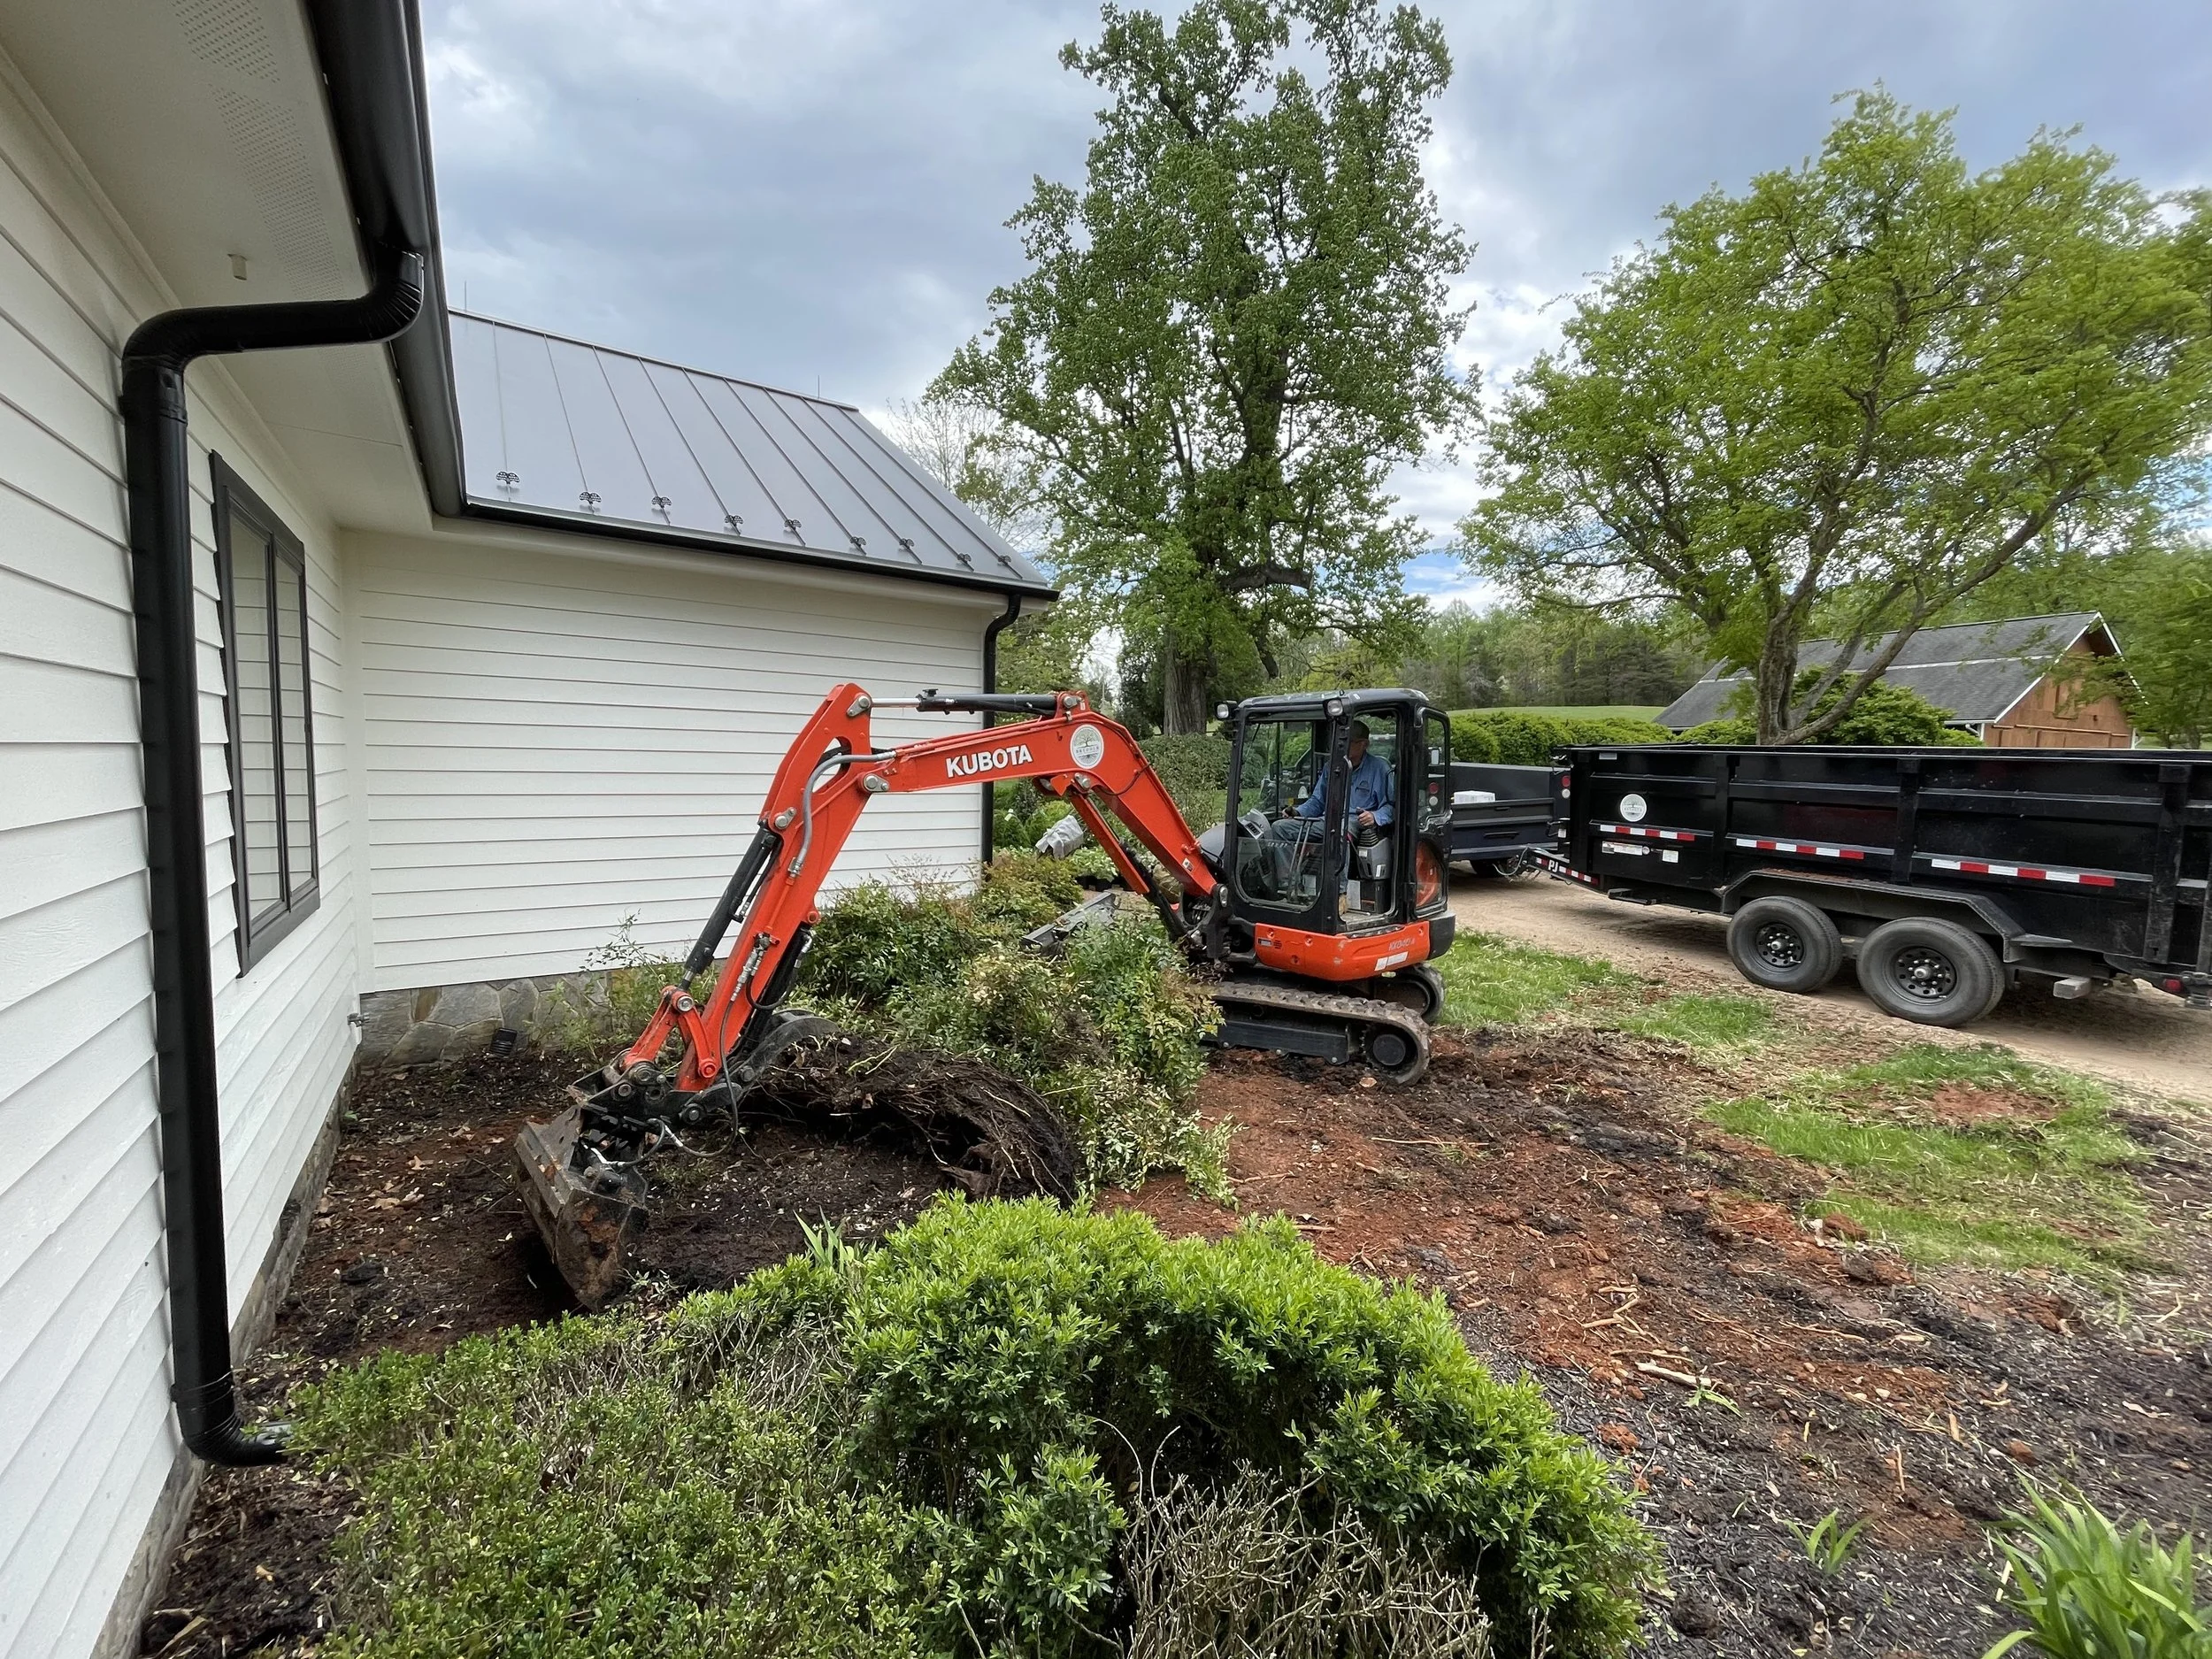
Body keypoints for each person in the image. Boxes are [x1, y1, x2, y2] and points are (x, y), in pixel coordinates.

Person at [1294, 719, 1393, 836]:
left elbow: (1392, 806)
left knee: (1340, 831)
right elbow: (1318, 801)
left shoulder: (1380, 768)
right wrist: (1297, 812)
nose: (1342, 746)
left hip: (1355, 822)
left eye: (1349, 742)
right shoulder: (1331, 767)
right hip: (1327, 821)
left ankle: (1339, 854)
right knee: (1280, 827)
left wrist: (1374, 816)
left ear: (1364, 744)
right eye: (1340, 741)